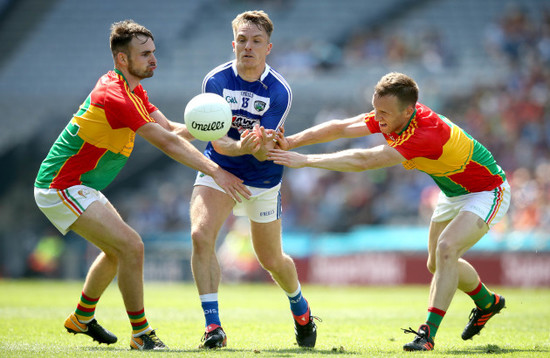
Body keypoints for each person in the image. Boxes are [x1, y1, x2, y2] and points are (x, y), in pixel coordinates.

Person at [33, 20, 250, 351]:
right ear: (122, 59)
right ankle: (141, 333)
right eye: (145, 54)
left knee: (117, 251)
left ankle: (82, 317)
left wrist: (219, 128)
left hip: (82, 186)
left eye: (154, 52)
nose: (154, 60)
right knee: (132, 247)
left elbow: (172, 131)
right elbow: (167, 142)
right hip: (60, 186)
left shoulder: (133, 90)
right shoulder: (114, 95)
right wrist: (216, 170)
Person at [268, 72, 511, 351]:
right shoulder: (395, 115)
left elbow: (365, 160)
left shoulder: (426, 134)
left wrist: (306, 160)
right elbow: (341, 128)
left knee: (447, 250)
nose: (377, 117)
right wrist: (291, 142)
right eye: (375, 108)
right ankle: (488, 302)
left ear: (408, 110)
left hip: (487, 190)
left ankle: (427, 334)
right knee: (438, 263)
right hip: (454, 192)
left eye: (383, 112)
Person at [190, 10, 318, 349]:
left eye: (256, 41)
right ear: (233, 44)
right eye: (243, 40)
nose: (248, 47)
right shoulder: (215, 81)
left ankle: (301, 310)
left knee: (271, 260)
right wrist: (240, 147)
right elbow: (216, 142)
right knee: (200, 235)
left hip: (263, 178)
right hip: (220, 168)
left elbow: (265, 152)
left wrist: (256, 148)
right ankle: (213, 326)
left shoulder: (279, 90)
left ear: (268, 47)